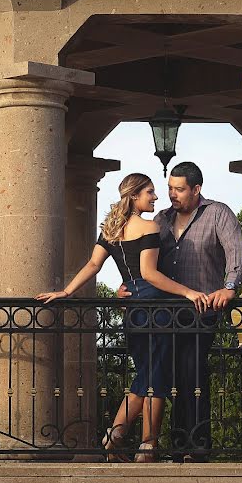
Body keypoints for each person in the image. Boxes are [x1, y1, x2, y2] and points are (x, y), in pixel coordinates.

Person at [35, 173, 209, 462]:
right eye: (150, 192)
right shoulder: (148, 226)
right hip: (155, 307)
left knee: (147, 376)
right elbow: (150, 274)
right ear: (135, 196)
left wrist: (66, 291)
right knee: (156, 379)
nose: (155, 197)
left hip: (132, 309)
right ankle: (146, 447)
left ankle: (116, 437)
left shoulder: (111, 228)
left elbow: (93, 264)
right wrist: (189, 292)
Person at [119, 161, 242, 461]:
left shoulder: (218, 213)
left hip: (202, 308)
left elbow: (236, 252)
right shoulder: (161, 219)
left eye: (179, 189)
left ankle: (197, 446)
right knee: (164, 375)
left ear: (196, 189)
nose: (172, 195)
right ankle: (174, 447)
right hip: (162, 312)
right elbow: (142, 260)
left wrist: (229, 287)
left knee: (192, 371)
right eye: (169, 189)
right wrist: (126, 286)